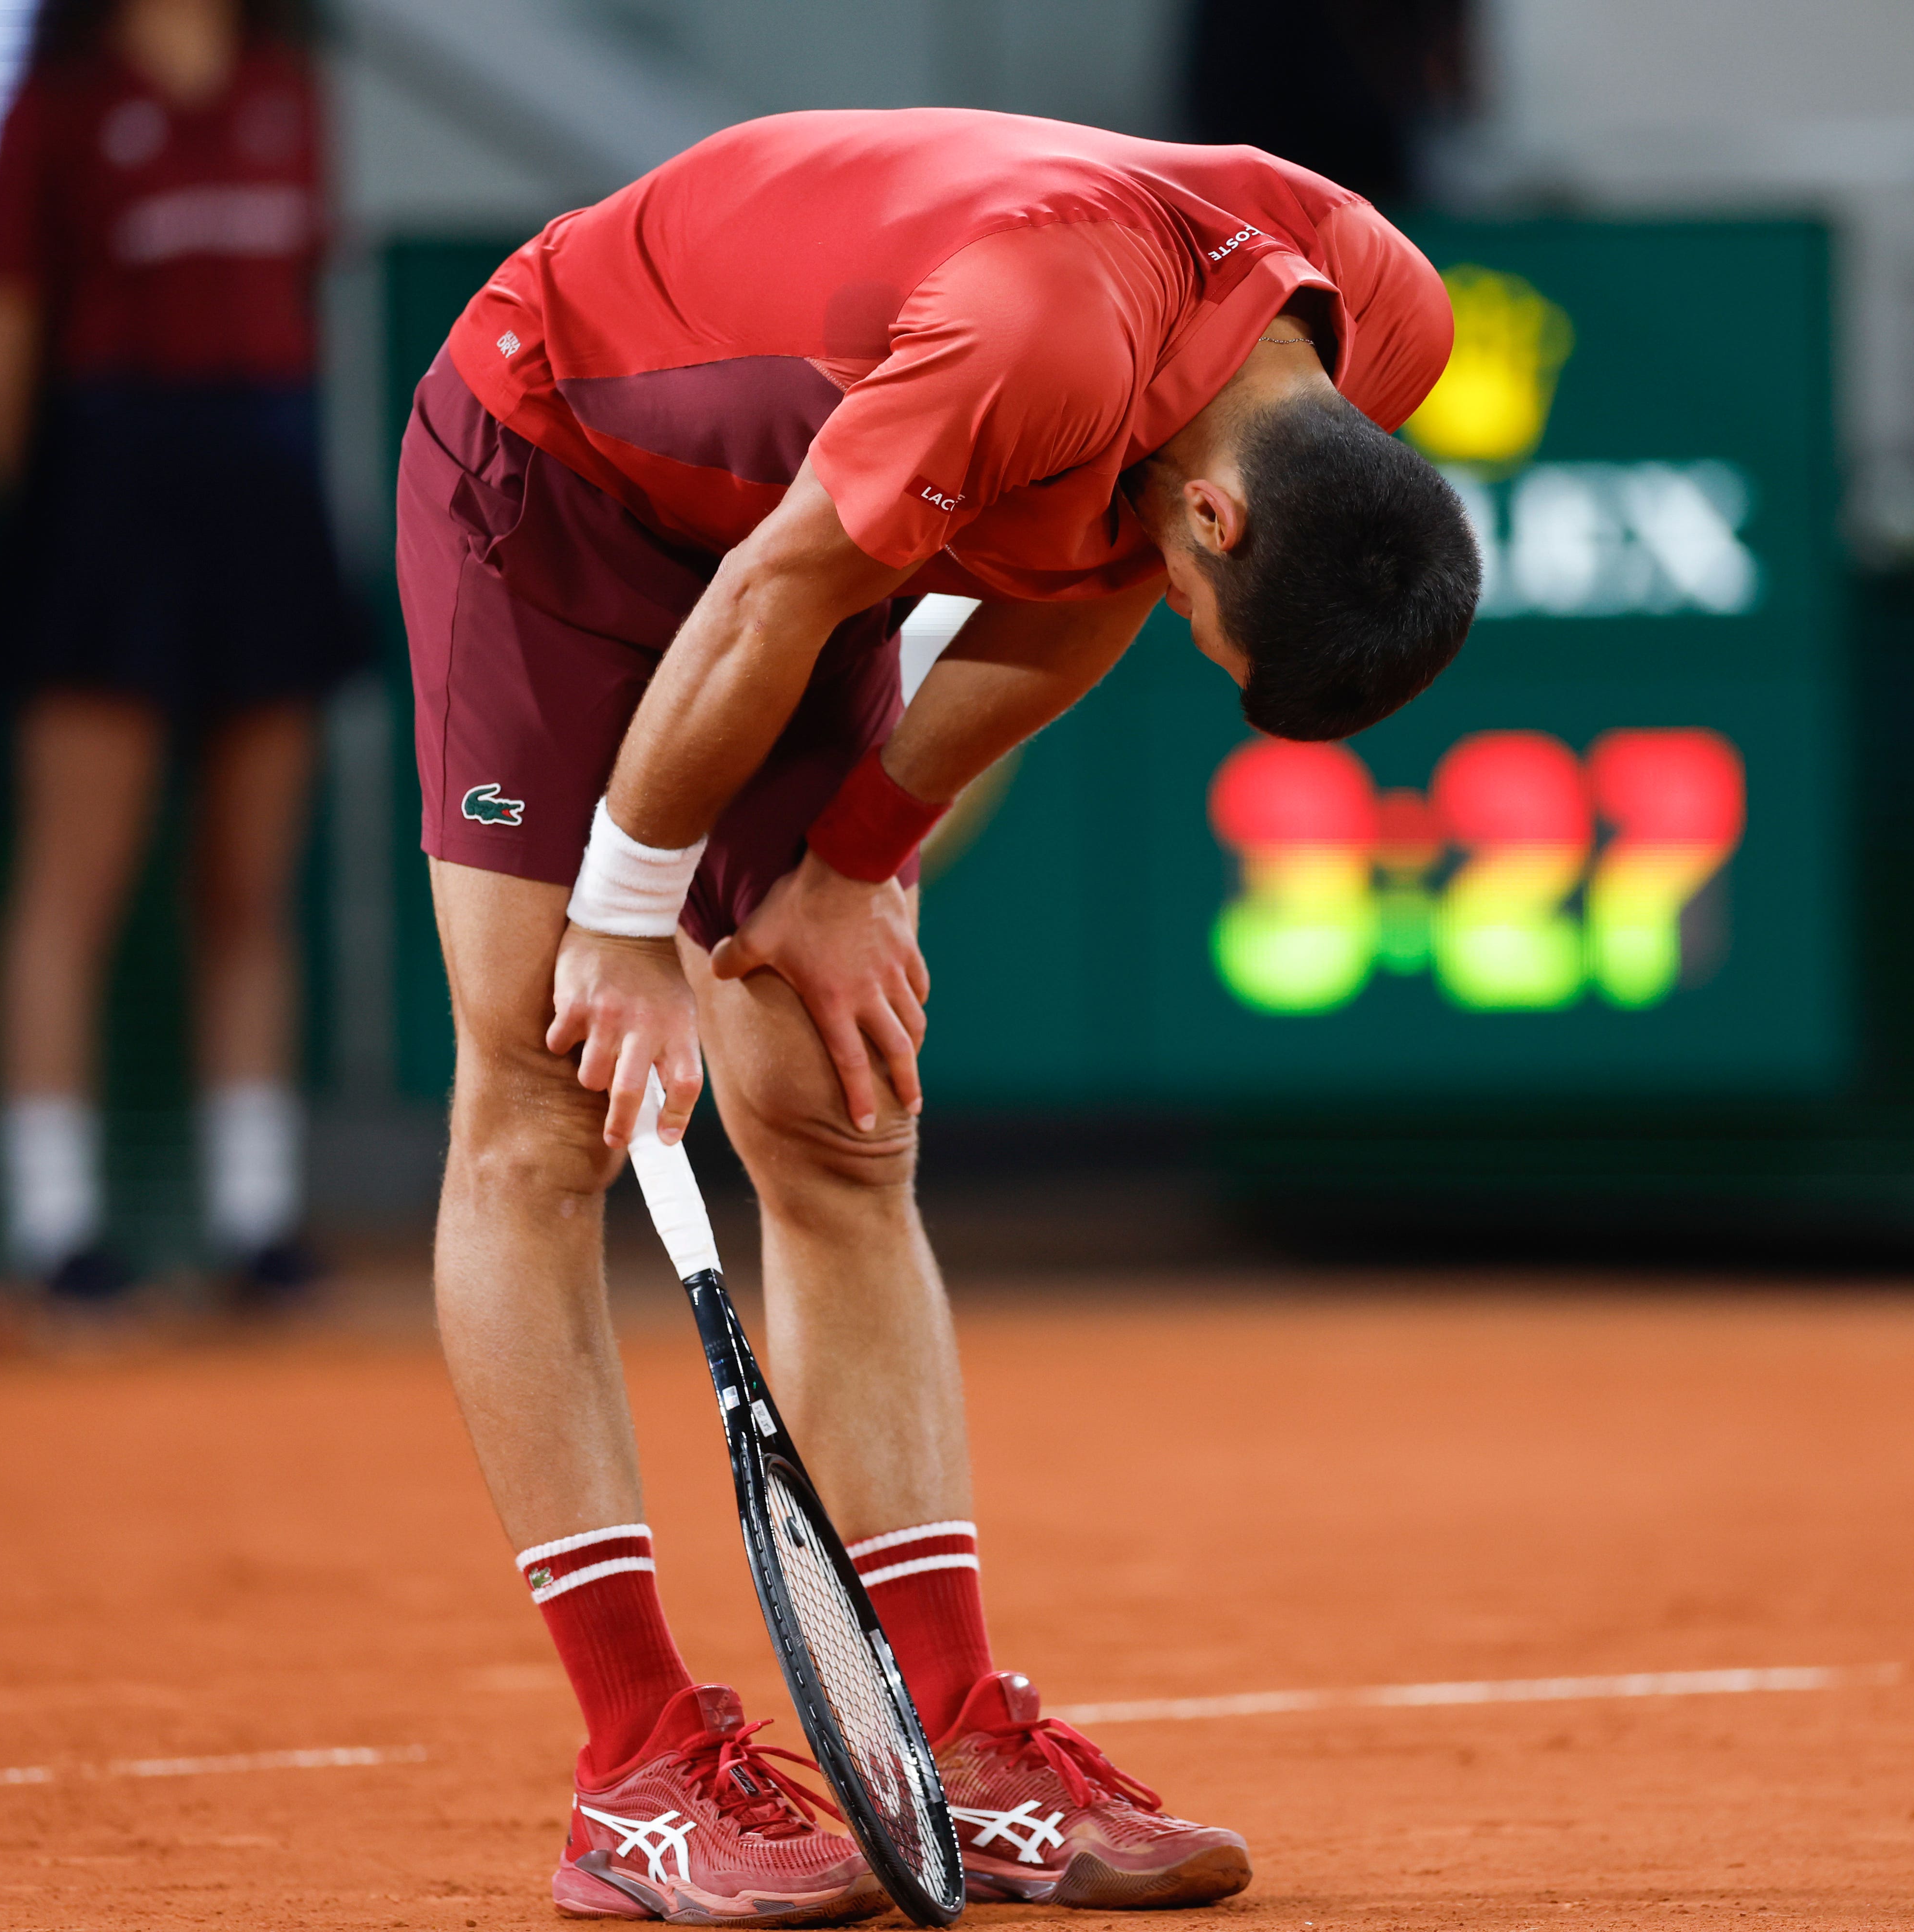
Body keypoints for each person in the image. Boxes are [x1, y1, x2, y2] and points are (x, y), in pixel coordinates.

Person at [397, 109, 1478, 1922]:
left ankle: (958, 1749)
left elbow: (1097, 595)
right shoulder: (1041, 339)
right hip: (568, 473)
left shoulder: (1371, 334)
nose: (1190, 623)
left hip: (815, 522)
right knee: (537, 1102)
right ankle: (638, 1773)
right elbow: (768, 601)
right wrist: (625, 919)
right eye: (1231, 632)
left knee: (838, 1109)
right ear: (1230, 508)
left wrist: (850, 859)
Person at [0, 0, 364, 1303]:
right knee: (76, 880)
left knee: (249, 881)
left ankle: (258, 1219)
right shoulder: (59, 103)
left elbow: (306, 295)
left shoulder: (291, 91)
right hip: (106, 491)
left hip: (263, 484)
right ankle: (57, 1230)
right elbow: (0, 323)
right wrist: (57, 524)